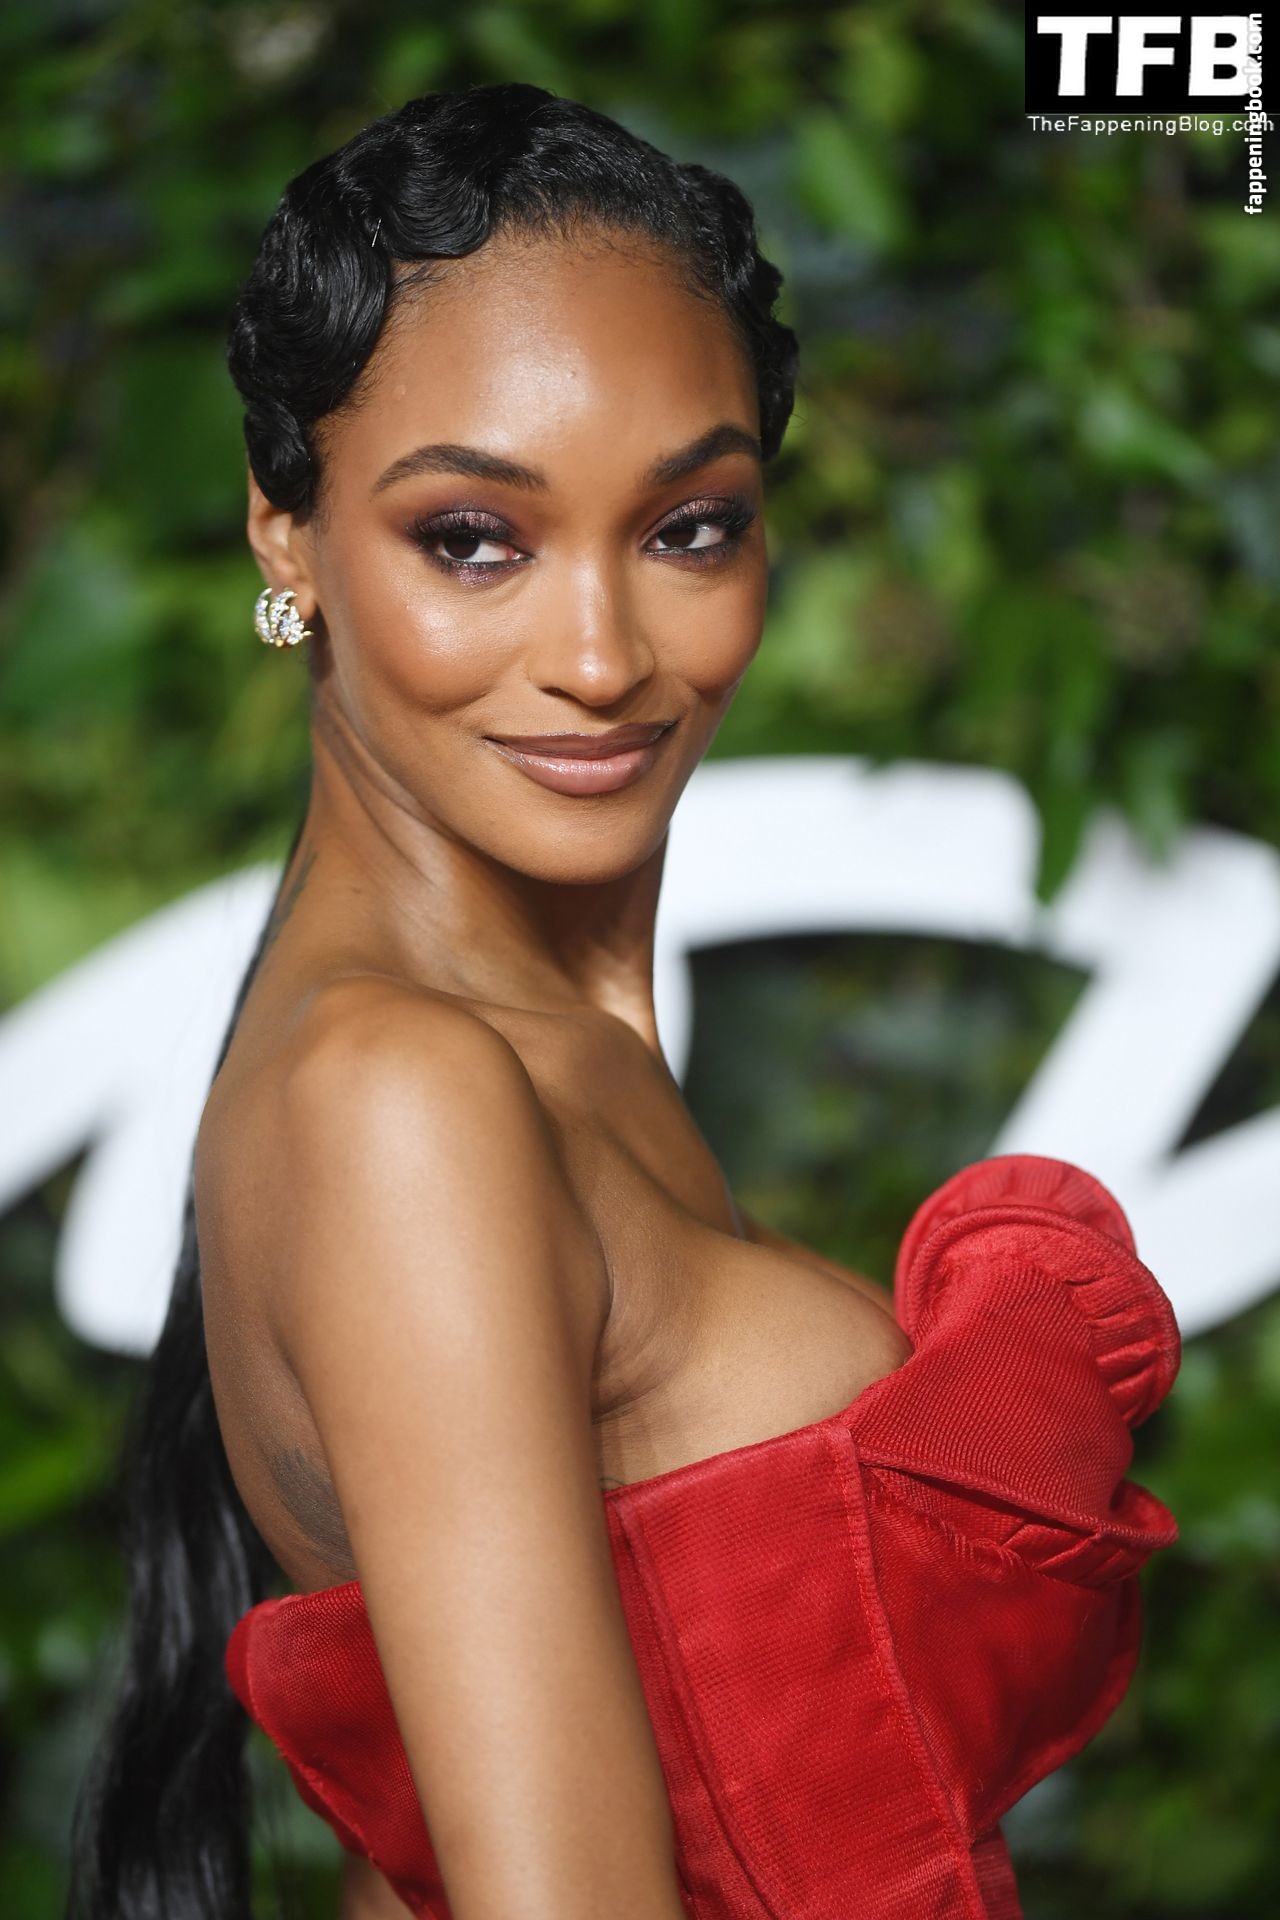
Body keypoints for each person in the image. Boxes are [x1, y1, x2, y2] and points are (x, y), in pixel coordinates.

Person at [66, 82, 1181, 1920]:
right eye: (472, 540)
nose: (599, 659)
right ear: (288, 538)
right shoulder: (404, 1095)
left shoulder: (532, 1050)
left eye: (688, 527)